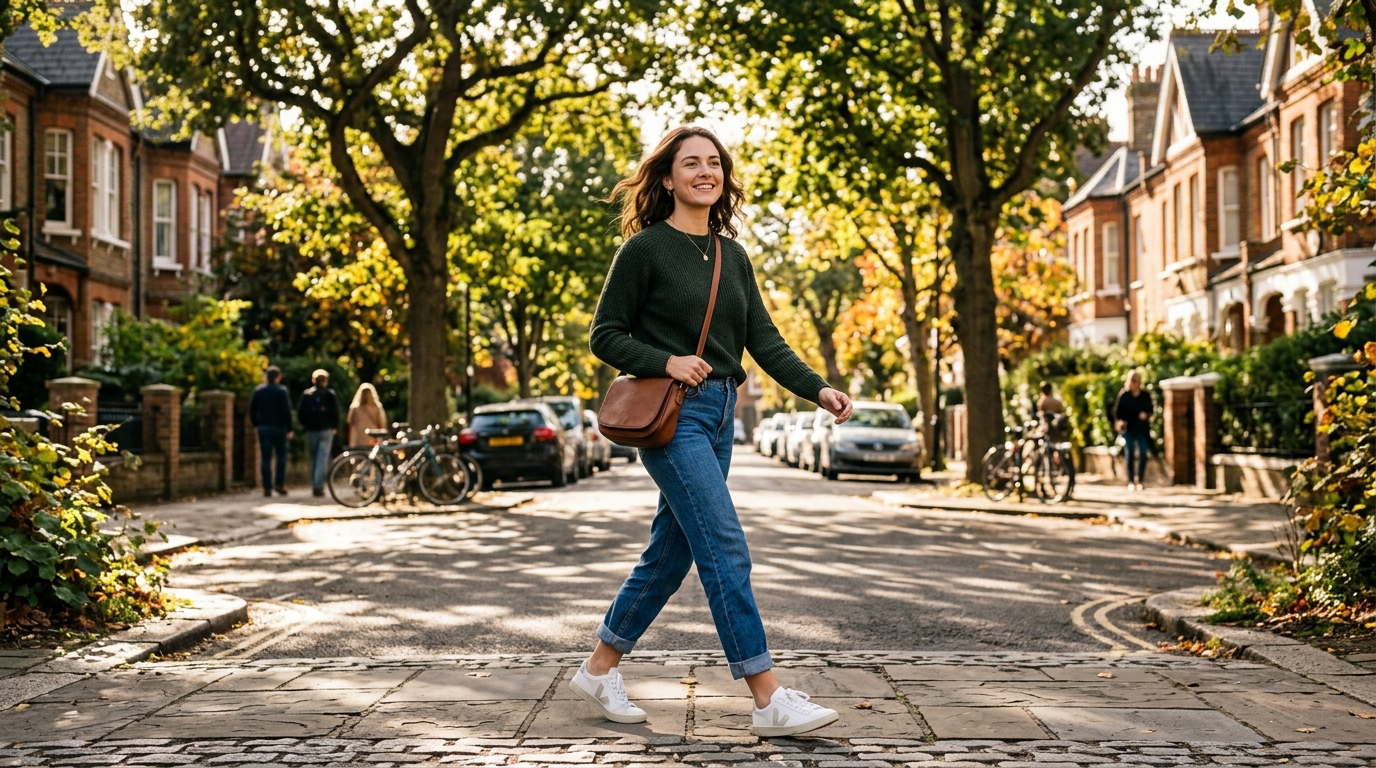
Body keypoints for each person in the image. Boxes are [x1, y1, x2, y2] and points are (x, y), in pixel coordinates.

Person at [578, 126, 854, 737]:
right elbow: (605, 335)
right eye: (690, 163)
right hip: (675, 417)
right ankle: (767, 697)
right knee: (725, 546)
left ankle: (599, 669)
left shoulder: (735, 255)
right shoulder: (644, 251)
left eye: (713, 164)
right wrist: (665, 360)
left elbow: (764, 339)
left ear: (723, 176)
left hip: (722, 413)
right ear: (668, 177)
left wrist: (818, 387)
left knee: (671, 554)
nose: (704, 172)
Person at [248, 365, 293, 497]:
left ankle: (266, 487)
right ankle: (279, 484)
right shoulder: (282, 391)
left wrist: (257, 424)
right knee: (281, 457)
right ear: (278, 377)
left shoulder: (258, 391)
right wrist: (289, 428)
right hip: (279, 428)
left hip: (264, 428)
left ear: (266, 377)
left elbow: (251, 411)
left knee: (265, 458)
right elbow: (286, 411)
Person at [297, 369, 341, 497]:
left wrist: (306, 425)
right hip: (326, 429)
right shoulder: (330, 394)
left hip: (311, 430)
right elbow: (336, 412)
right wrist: (334, 426)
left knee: (313, 458)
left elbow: (301, 413)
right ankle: (318, 486)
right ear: (325, 381)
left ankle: (315, 484)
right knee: (322, 458)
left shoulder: (307, 394)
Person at [1114, 369, 1154, 491]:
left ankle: (1140, 480)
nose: (1136, 383)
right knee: (1130, 453)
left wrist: (1146, 415)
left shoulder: (1145, 395)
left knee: (1143, 453)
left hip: (1142, 429)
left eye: (1137, 380)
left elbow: (1151, 410)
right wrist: (1120, 421)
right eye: (1133, 381)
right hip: (1128, 430)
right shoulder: (1124, 395)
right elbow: (1117, 413)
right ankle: (1131, 481)